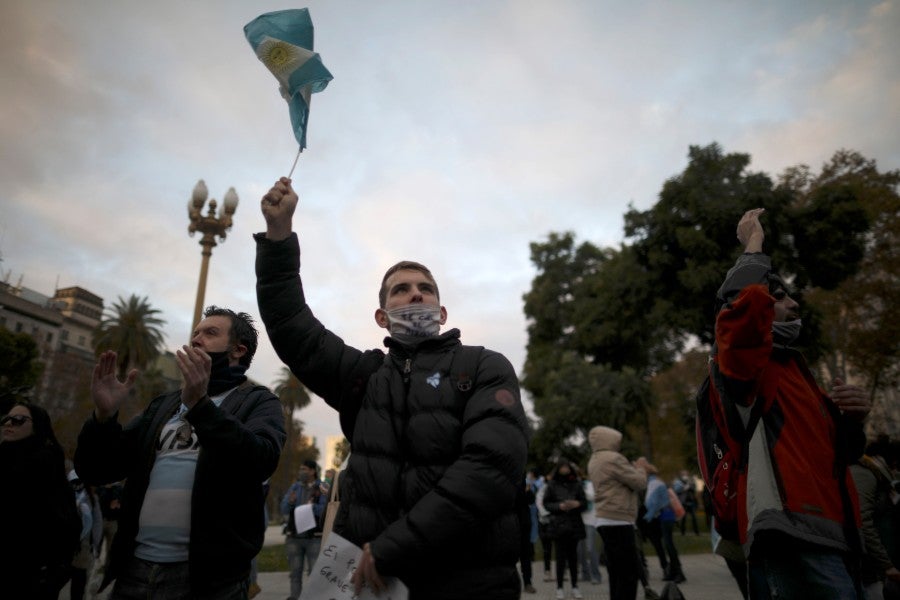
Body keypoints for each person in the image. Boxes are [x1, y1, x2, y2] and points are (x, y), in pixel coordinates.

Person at [255, 176, 529, 600]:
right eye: (401, 290)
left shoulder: (484, 366)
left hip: (470, 581)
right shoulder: (364, 377)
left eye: (426, 289)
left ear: (441, 309)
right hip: (371, 582)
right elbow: (294, 328)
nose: (416, 295)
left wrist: (392, 549)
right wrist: (278, 237)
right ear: (382, 316)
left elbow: (490, 471)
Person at [74, 306, 286, 599]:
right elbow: (97, 470)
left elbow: (262, 460)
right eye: (195, 333)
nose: (196, 339)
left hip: (208, 580)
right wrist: (103, 419)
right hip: (134, 571)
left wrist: (201, 407)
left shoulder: (259, 403)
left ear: (238, 350)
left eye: (210, 333)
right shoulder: (163, 406)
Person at [714, 208, 871, 599]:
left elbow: (841, 456)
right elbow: (739, 318)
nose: (795, 304)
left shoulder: (796, 371)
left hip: (833, 532)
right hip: (794, 532)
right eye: (779, 295)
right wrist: (753, 249)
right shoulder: (750, 367)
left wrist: (853, 419)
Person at [0, 402, 81, 599]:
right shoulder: (3, 458)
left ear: (37, 425)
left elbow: (64, 525)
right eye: (6, 419)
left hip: (30, 575)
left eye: (19, 420)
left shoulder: (46, 465)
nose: (10, 423)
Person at [588, 425, 647, 600]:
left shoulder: (595, 459)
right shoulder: (613, 458)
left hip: (604, 518)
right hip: (619, 518)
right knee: (629, 574)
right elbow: (639, 482)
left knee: (616, 573)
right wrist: (641, 467)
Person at [850, 442, 900, 600]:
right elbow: (863, 522)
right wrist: (887, 565)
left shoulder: (874, 476)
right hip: (865, 565)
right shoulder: (867, 475)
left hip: (868, 564)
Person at [281, 460, 327, 600]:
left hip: (314, 538)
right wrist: (290, 502)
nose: (301, 472)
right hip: (294, 538)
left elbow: (326, 510)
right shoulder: (294, 487)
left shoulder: (322, 488)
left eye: (304, 469)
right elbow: (283, 509)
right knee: (295, 574)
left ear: (313, 471)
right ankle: (295, 597)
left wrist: (312, 507)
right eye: (300, 469)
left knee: (315, 574)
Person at [543, 460, 587, 599]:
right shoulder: (552, 484)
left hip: (574, 524)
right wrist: (559, 506)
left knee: (573, 558)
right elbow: (546, 503)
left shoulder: (577, 484)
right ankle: (559, 587)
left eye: (567, 467)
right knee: (560, 558)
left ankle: (575, 586)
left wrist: (577, 503)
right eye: (562, 467)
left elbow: (585, 503)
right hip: (559, 525)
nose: (564, 469)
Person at [639, 458, 685, 583]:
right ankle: (674, 572)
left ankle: (679, 573)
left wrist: (647, 517)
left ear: (647, 473)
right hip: (666, 516)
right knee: (668, 545)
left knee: (669, 546)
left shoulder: (653, 484)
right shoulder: (656, 482)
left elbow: (654, 504)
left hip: (666, 516)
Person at [68, 470, 103, 600]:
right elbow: (97, 524)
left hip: (67, 548)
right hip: (84, 547)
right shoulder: (92, 498)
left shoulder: (65, 495)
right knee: (78, 585)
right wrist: (95, 545)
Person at [575, 465, 603, 586]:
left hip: (590, 520)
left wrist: (581, 492)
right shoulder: (575, 485)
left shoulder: (589, 484)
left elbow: (594, 496)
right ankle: (585, 574)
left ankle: (596, 575)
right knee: (579, 550)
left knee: (590, 548)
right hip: (578, 520)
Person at [517, 471, 539, 594]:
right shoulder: (506, 482)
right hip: (510, 524)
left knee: (526, 556)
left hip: (524, 524)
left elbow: (531, 500)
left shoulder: (524, 483)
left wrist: (527, 490)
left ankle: (527, 583)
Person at [673, 471, 700, 536]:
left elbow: (694, 489)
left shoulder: (690, 481)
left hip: (691, 502)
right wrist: (684, 488)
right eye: (683, 474)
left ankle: (697, 532)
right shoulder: (679, 482)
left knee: (694, 518)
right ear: (681, 475)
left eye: (686, 474)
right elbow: (676, 490)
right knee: (683, 518)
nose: (685, 475)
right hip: (683, 502)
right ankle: (682, 532)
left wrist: (689, 485)